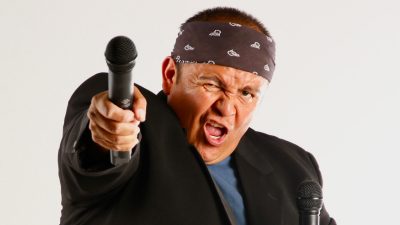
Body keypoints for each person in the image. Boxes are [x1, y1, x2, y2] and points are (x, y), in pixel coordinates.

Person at [58, 7, 336, 225]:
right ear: (170, 75)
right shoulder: (139, 126)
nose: (227, 108)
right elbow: (96, 150)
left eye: (247, 93)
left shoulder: (293, 168)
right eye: (212, 85)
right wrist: (111, 132)